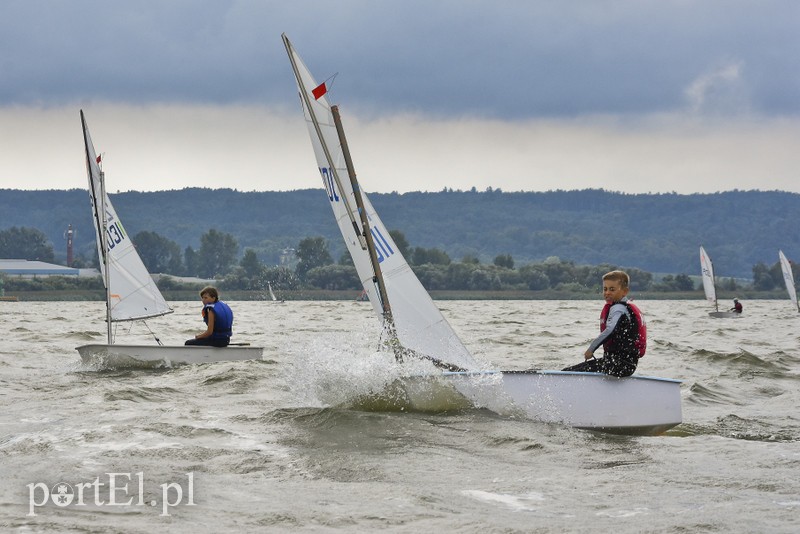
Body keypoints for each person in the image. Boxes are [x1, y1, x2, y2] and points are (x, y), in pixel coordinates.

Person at [562, 270, 646, 378]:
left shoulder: (618, 309)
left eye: (612, 289)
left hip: (619, 365)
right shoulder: (623, 307)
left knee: (568, 372)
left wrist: (591, 349)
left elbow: (610, 330)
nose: (607, 292)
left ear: (625, 291)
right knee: (573, 370)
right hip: (623, 364)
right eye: (605, 289)